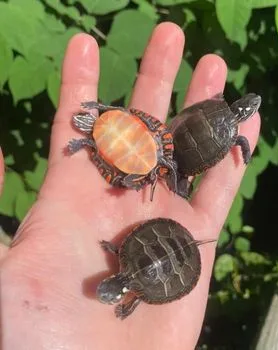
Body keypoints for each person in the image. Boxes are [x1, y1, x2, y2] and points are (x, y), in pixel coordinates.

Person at [0, 22, 260, 349]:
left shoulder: (216, 108)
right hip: (152, 157)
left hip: (156, 159)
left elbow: (197, 113)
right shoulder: (125, 254)